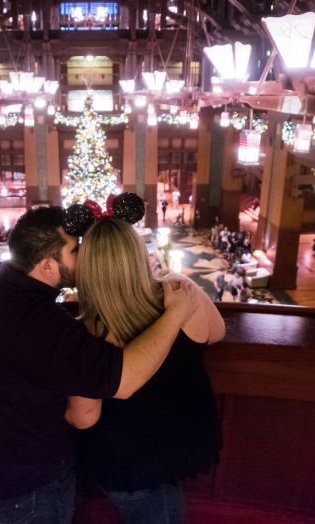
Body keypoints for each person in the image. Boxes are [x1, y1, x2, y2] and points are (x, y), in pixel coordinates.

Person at [0, 206, 199, 524]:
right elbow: (121, 383)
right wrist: (176, 313)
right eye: (74, 249)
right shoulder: (49, 327)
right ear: (48, 265)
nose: (83, 252)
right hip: (24, 483)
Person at [72, 217, 226, 523]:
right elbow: (217, 332)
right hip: (177, 441)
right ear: (140, 254)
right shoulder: (181, 292)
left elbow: (83, 416)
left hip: (128, 461)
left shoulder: (86, 335)